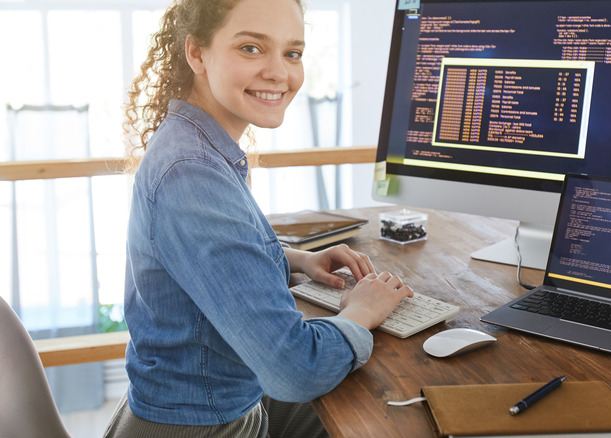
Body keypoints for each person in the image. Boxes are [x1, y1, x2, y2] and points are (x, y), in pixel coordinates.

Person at [103, 0, 414, 436]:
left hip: (210, 402)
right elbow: (295, 371)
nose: (280, 73)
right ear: (197, 54)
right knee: (396, 416)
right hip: (203, 424)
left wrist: (292, 260)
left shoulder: (194, 146)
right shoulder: (191, 172)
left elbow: (201, 267)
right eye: (251, 48)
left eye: (292, 53)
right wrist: (360, 312)